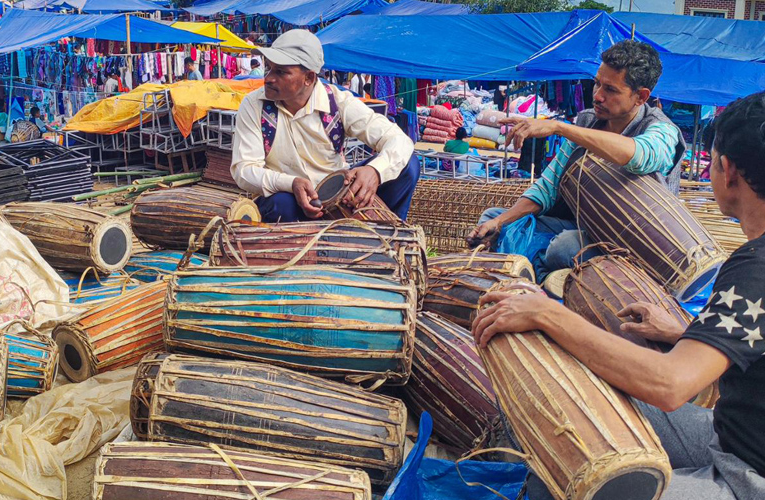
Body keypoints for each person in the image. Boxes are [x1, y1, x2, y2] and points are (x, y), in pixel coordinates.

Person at [471, 91, 765, 500]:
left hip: (747, 476)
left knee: (570, 445)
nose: (599, 95)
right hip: (733, 436)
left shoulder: (755, 267)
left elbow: (669, 385)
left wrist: (547, 314)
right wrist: (686, 333)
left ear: (727, 170)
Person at [467, 40, 685, 272]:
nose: (598, 96)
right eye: (597, 84)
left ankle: (537, 274)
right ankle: (531, 269)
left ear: (641, 96)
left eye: (610, 90)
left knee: (564, 248)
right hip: (585, 228)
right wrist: (499, 223)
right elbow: (548, 188)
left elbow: (640, 155)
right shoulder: (588, 120)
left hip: (634, 244)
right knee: (493, 218)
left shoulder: (661, 129)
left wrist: (560, 128)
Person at [231, 29, 418, 223]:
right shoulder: (254, 105)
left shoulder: (337, 102)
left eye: (281, 72)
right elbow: (244, 170)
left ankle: (386, 237)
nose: (268, 78)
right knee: (280, 204)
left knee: (408, 166)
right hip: (291, 202)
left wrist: (375, 171)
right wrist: (290, 183)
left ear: (309, 78)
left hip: (340, 195)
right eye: (268, 68)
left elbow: (399, 140)